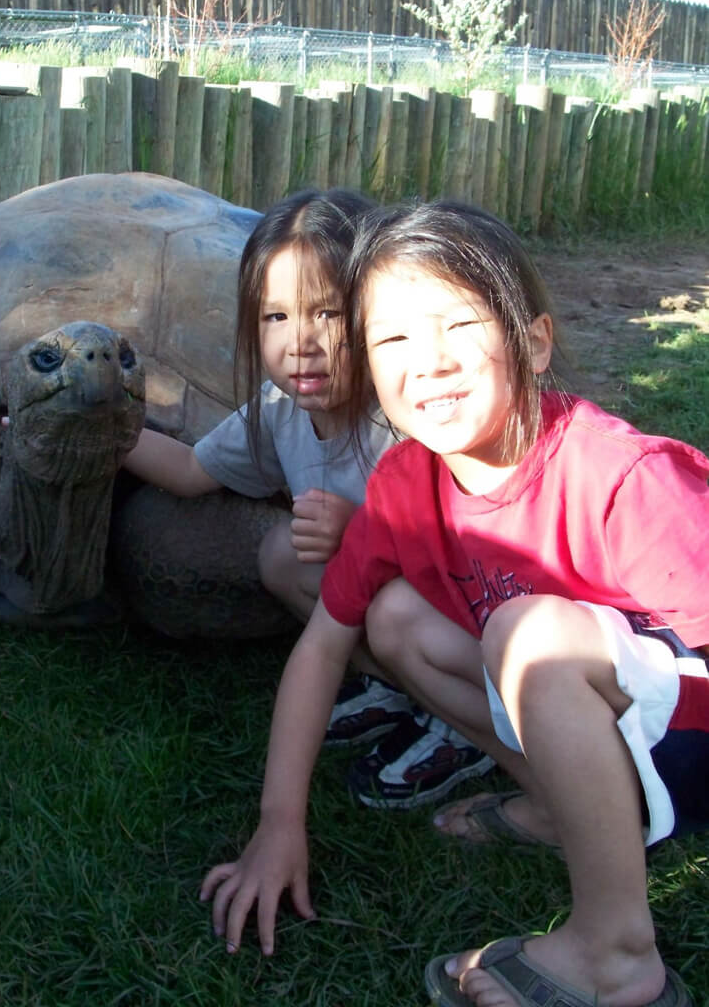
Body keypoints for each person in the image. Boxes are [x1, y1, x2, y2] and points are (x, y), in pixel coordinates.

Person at [200, 200, 707, 1007]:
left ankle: (617, 955)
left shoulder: (622, 478)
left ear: (534, 344)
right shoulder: (403, 490)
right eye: (393, 338)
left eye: (459, 325)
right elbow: (322, 647)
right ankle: (554, 805)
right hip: (598, 731)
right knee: (397, 621)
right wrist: (277, 823)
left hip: (688, 745)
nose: (427, 362)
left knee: (525, 632)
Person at [123, 187, 491, 804]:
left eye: (327, 313)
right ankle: (399, 691)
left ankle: (468, 727)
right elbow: (190, 470)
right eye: (276, 316)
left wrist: (361, 530)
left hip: (462, 622)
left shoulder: (406, 417)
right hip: (389, 608)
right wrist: (103, 434)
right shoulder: (278, 411)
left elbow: (467, 555)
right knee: (281, 556)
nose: (301, 342)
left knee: (390, 605)